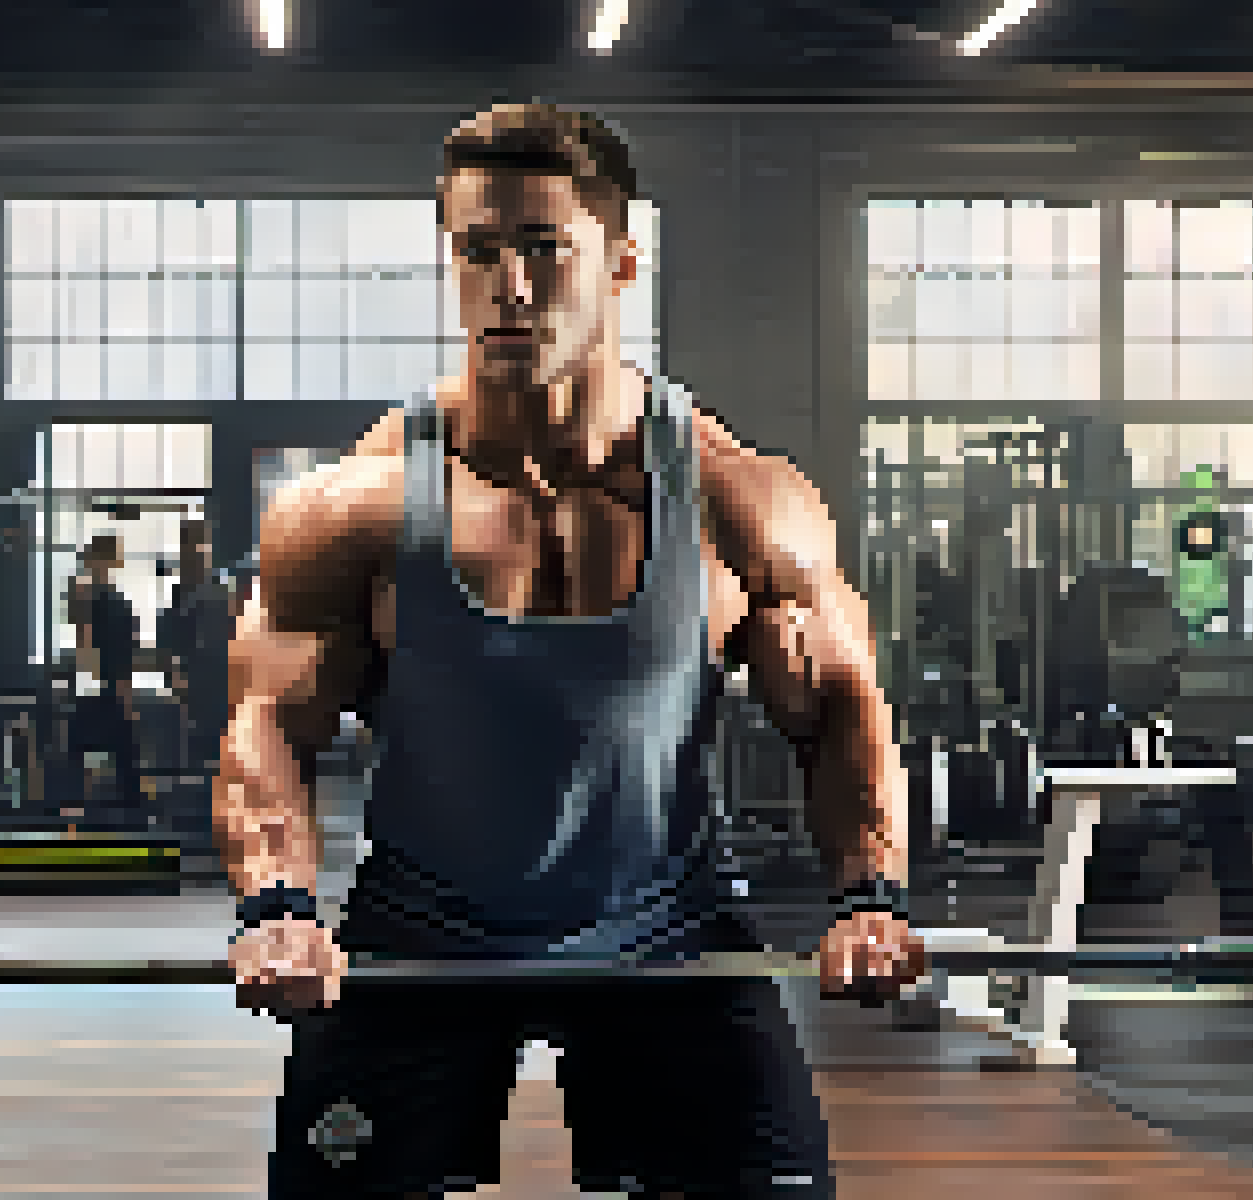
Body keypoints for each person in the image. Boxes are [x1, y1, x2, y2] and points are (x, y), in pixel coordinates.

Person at [220, 103, 926, 1200]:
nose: (508, 286)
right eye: (478, 251)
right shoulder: (351, 510)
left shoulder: (740, 503)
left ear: (621, 260)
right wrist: (278, 907)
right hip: (422, 932)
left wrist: (867, 894)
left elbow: (839, 703)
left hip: (667, 927)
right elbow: (267, 719)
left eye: (545, 248)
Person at [66, 533, 141, 820]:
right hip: (110, 685)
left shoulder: (87, 598)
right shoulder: (116, 603)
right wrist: (126, 694)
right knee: (124, 752)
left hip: (91, 684)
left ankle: (81, 810)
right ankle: (131, 811)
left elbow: (84, 643)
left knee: (80, 748)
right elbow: (122, 654)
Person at [160, 520, 236, 775]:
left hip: (213, 678)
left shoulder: (215, 588)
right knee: (199, 749)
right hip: (198, 678)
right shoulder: (186, 590)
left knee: (211, 747)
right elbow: (171, 637)